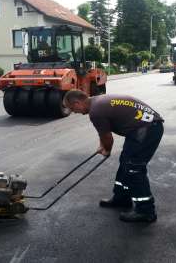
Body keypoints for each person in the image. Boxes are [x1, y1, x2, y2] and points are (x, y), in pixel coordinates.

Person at [63, 90, 164, 223]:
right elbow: (104, 132)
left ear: (77, 102)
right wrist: (102, 146)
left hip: (147, 129)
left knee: (134, 168)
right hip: (143, 127)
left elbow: (107, 138)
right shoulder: (96, 102)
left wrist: (107, 150)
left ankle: (146, 211)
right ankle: (121, 198)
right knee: (125, 162)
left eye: (72, 109)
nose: (74, 112)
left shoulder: (95, 111)